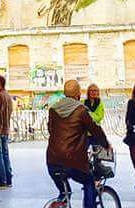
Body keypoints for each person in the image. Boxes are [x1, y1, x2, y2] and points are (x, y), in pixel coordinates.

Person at [46, 79, 111, 208]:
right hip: (73, 161)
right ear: (78, 95)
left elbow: (50, 129)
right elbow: (95, 129)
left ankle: (61, 201)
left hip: (52, 161)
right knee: (89, 182)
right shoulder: (81, 110)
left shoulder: (53, 110)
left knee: (64, 191)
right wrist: (106, 144)